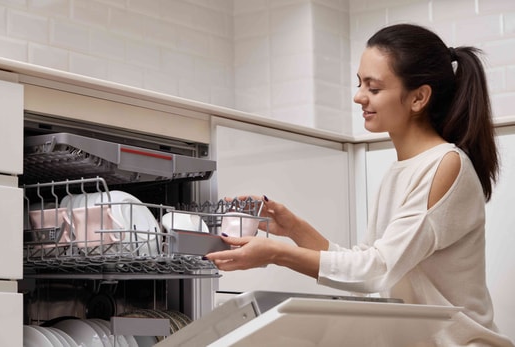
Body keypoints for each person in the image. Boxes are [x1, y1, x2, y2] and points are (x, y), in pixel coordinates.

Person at [206, 23, 514, 346]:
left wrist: (277, 255)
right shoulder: (400, 170)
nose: (358, 96)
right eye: (359, 83)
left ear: (419, 97)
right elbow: (368, 261)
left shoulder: (445, 165)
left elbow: (376, 270)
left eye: (374, 87)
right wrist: (293, 228)